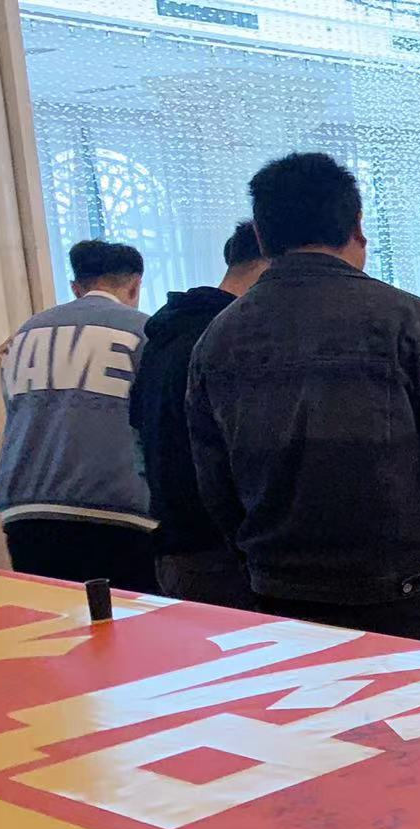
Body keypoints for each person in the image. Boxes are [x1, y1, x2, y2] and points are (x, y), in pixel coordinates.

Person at [188, 152, 420, 651]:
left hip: (283, 596)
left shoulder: (218, 340)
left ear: (260, 234)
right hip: (418, 598)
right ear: (358, 227)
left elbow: (214, 479)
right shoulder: (408, 321)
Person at [0, 239, 155, 591]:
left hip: (26, 511)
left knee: (56, 618)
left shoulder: (25, 334)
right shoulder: (144, 330)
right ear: (135, 285)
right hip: (117, 508)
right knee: (128, 620)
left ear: (75, 287)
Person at [131, 221, 268, 608]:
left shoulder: (166, 332)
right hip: (222, 553)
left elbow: (137, 429)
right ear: (268, 265)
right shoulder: (229, 337)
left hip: (176, 546)